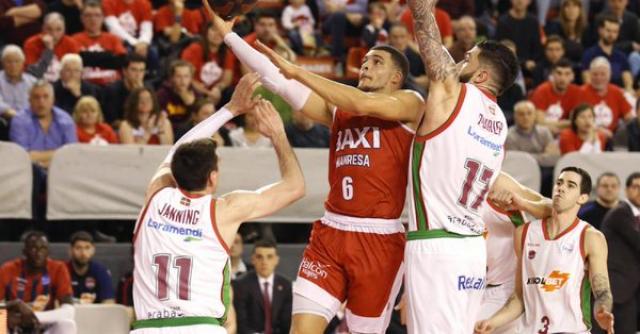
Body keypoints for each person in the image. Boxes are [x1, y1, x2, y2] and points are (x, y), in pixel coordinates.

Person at [204, 2, 424, 332]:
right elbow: (278, 81)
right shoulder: (340, 111)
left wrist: (299, 71)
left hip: (379, 241)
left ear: (396, 77)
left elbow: (361, 101)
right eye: (363, 61)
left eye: (375, 62)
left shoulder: (411, 103)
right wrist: (230, 37)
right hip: (331, 233)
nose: (365, 67)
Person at [130, 73, 305, 333]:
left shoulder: (155, 196)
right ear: (212, 178)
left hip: (147, 326)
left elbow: (179, 148)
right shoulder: (224, 210)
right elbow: (295, 187)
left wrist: (230, 109)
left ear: (175, 172)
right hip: (200, 326)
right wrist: (278, 134)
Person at [403, 0, 519, 328]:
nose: (459, 60)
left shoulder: (454, 94)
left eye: (468, 58)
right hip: (471, 249)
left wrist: (421, 7)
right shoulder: (499, 121)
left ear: (481, 74)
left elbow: (429, 46)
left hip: (436, 243)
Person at [474, 167, 615, 334]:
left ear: (583, 197)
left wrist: (603, 310)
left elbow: (602, 290)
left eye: (570, 185)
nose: (562, 187)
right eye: (559, 183)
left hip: (572, 330)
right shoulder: (524, 233)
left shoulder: (590, 237)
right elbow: (518, 298)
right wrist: (491, 323)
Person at [477, 174, 552, 334]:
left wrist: (522, 203)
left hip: (506, 287)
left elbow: (553, 209)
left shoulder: (496, 182)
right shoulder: (444, 187)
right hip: (465, 286)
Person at [0, 231, 77, 334]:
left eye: (43, 249)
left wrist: (32, 316)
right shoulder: (8, 269)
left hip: (43, 326)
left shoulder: (58, 268)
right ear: (24, 251)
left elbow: (69, 310)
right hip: (14, 325)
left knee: (67, 324)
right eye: (33, 248)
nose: (38, 253)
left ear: (48, 252)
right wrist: (14, 305)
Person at [601, 172, 640, 334]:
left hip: (630, 289)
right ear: (627, 190)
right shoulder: (620, 213)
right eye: (636, 187)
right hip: (618, 290)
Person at [233, 239, 293, 334]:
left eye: (269, 257)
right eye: (259, 257)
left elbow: (286, 322)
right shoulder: (240, 284)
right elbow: (240, 323)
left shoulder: (286, 285)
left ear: (276, 260)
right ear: (253, 259)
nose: (264, 262)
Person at [72, 0, 127, 86]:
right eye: (88, 15)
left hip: (112, 85)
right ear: (82, 18)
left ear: (103, 18)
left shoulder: (113, 38)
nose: (93, 19)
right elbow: (77, 61)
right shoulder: (74, 39)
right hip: (85, 85)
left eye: (97, 15)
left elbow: (121, 61)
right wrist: (109, 55)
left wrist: (88, 57)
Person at [181, 22, 236, 105]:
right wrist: (207, 93)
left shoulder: (227, 54)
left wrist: (218, 88)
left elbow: (226, 80)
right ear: (206, 31)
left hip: (215, 94)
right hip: (196, 90)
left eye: (221, 31)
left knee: (230, 93)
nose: (217, 34)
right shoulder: (193, 49)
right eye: (214, 30)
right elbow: (186, 77)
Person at [580, 57, 634, 136]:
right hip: (587, 135)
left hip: (613, 138)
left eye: (603, 74)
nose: (599, 78)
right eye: (595, 74)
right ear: (590, 75)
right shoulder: (580, 92)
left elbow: (629, 117)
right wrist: (598, 130)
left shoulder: (616, 92)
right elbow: (576, 121)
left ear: (610, 75)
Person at [581, 15, 634, 93]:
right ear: (600, 30)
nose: (611, 35)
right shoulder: (589, 55)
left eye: (615, 32)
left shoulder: (621, 56)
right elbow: (587, 81)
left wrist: (627, 91)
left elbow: (628, 83)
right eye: (608, 30)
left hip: (617, 95)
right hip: (596, 95)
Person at [23, 12, 81, 82]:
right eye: (49, 29)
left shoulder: (71, 44)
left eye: (58, 29)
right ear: (43, 28)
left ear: (64, 30)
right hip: (38, 85)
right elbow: (34, 74)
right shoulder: (31, 43)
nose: (54, 34)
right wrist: (49, 50)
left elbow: (74, 74)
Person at [530, 58, 581, 135]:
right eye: (559, 73)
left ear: (572, 76)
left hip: (566, 134)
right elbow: (539, 122)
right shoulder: (541, 90)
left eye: (567, 74)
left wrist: (555, 126)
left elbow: (576, 122)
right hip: (544, 133)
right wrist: (564, 124)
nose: (562, 78)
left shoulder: (577, 91)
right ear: (552, 74)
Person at [66, 231, 115, 304]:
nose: (83, 253)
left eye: (87, 248)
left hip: (96, 314)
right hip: (69, 314)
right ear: (70, 250)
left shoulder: (101, 271)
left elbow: (109, 301)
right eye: (78, 248)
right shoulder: (62, 270)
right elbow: (57, 302)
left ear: (93, 250)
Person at [495, 0, 542, 73]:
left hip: (531, 67)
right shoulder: (503, 22)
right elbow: (501, 49)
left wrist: (533, 62)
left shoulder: (533, 22)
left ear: (529, 1)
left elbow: (537, 48)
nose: (520, 1)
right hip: (508, 66)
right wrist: (523, 63)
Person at [156, 60, 201, 131]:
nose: (183, 80)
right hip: (169, 130)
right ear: (172, 78)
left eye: (186, 76)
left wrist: (191, 104)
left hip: (189, 132)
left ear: (191, 78)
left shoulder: (196, 95)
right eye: (178, 76)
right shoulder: (162, 94)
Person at [103, 54, 147, 124]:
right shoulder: (112, 91)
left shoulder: (148, 90)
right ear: (124, 71)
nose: (138, 75)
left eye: (141, 70)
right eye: (134, 70)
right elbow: (112, 121)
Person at [0, 45, 37, 119]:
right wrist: (19, 117)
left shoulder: (33, 82)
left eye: (17, 61)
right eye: (9, 62)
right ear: (2, 63)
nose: (13, 65)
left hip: (30, 121)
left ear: (23, 63)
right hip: (4, 122)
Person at [543, 0, 586, 64]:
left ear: (580, 9)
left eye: (575, 6)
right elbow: (555, 50)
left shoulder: (585, 28)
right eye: (567, 6)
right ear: (563, 9)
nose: (571, 10)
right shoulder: (554, 26)